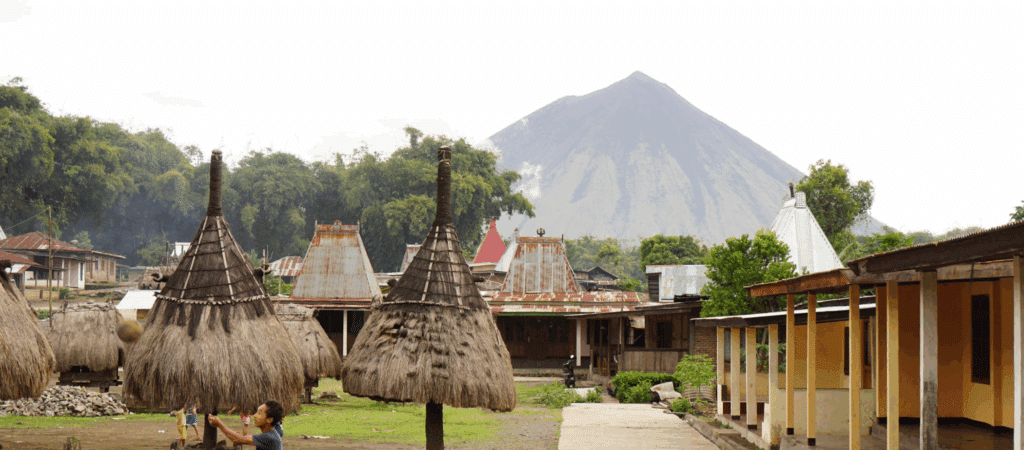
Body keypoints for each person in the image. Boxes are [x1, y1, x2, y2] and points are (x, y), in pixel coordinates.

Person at [209, 401, 284, 450]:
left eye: (259, 413)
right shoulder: (271, 434)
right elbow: (241, 438)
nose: (254, 415)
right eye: (256, 412)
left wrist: (219, 423)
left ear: (269, 420)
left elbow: (238, 439)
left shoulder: (269, 437)